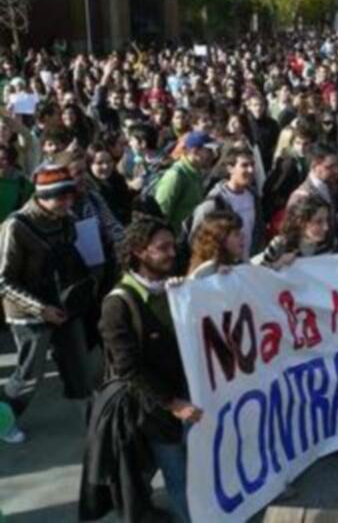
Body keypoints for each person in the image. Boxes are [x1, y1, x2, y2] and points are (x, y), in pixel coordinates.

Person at [97, 216, 201, 522]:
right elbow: (129, 369)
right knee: (179, 478)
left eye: (173, 245)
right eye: (162, 247)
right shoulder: (118, 303)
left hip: (186, 397)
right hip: (155, 411)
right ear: (140, 252)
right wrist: (173, 403)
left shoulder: (173, 287)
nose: (172, 252)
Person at [0, 165, 94, 443]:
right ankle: (5, 420)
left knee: (78, 369)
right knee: (29, 375)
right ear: (43, 196)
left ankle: (93, 424)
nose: (68, 202)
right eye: (61, 197)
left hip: (65, 307)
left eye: (70, 196)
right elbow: (3, 281)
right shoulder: (16, 226)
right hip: (29, 315)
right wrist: (42, 310)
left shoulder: (66, 218)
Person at [191, 146, 264, 258]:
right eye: (244, 165)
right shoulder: (214, 202)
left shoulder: (254, 197)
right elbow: (197, 239)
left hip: (248, 267)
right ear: (230, 168)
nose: (251, 170)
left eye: (252, 164)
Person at [154, 131, 219, 232]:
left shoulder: (197, 173)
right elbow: (161, 213)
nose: (213, 155)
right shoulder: (175, 176)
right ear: (195, 151)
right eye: (209, 150)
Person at [255, 194, 333, 265]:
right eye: (318, 222)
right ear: (301, 222)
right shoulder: (280, 245)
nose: (326, 227)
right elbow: (261, 275)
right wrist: (279, 263)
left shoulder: (327, 247)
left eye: (327, 220)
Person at [188, 210, 246, 278]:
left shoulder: (239, 264)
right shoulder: (205, 272)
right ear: (220, 239)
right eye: (236, 234)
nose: (243, 237)